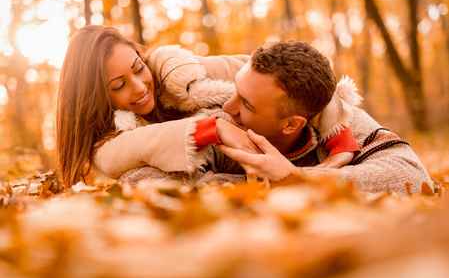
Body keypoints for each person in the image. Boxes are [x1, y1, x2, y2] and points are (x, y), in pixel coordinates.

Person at [56, 25, 359, 188]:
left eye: (138, 68)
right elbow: (112, 158)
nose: (139, 86)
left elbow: (300, 80)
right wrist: (211, 128)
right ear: (95, 98)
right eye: (118, 85)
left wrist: (338, 150)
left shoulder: (181, 73)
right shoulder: (109, 135)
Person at [121, 40, 433, 196]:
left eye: (247, 103)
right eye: (236, 90)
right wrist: (266, 186)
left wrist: (295, 177)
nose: (227, 107)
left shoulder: (342, 122)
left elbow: (414, 176)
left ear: (293, 123)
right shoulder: (223, 126)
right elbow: (136, 180)